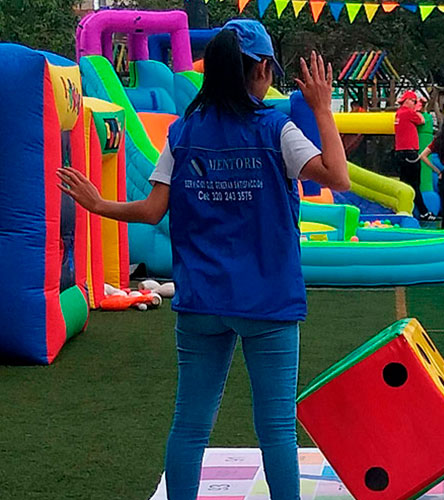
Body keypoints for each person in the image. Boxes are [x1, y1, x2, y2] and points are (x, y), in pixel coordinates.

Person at [56, 22, 349, 500]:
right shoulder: (276, 129)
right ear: (260, 68)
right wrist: (321, 107)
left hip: (201, 299)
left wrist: (98, 204)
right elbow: (338, 177)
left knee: (190, 425)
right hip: (268, 300)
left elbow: (152, 211)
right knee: (276, 427)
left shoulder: (183, 132)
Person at [395, 90, 434, 221]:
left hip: (401, 152)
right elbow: (422, 120)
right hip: (410, 153)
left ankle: (406, 210)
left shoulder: (399, 113)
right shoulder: (408, 113)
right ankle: (423, 212)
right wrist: (418, 109)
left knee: (405, 183)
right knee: (415, 184)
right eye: (414, 101)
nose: (415, 104)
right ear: (407, 101)